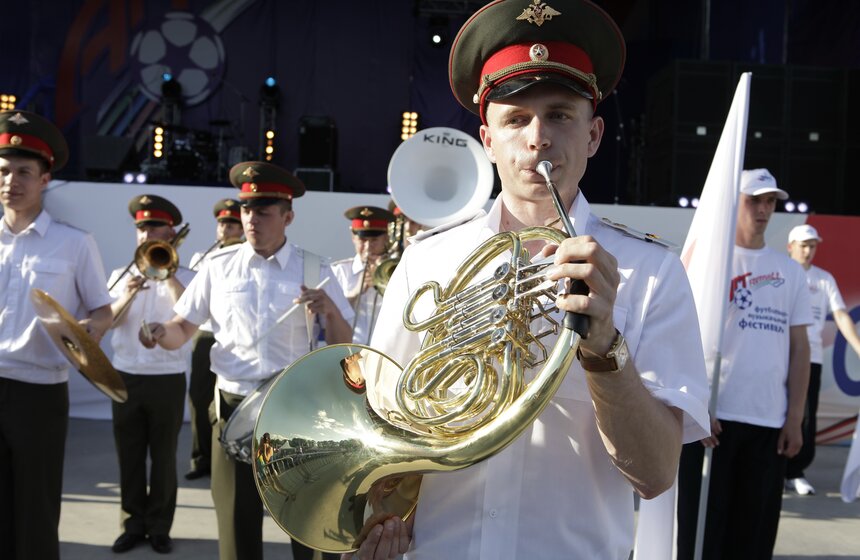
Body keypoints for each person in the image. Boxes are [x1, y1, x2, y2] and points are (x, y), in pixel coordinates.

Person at [352, 1, 711, 558]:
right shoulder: (426, 261)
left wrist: (603, 348)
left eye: (560, 115)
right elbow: (385, 425)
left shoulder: (654, 274)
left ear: (593, 135)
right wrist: (378, 518)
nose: (538, 137)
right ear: (488, 139)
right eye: (515, 119)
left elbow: (656, 473)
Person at [139, 161, 352, 560]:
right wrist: (157, 334)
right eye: (246, 210)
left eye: (264, 211)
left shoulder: (315, 268)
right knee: (237, 526)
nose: (252, 219)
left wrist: (330, 312)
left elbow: (344, 346)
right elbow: (181, 328)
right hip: (233, 407)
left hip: (294, 411)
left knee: (307, 523)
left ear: (287, 216)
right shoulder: (218, 268)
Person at [677, 169, 813, 559]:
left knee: (752, 540)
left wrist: (795, 419)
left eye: (770, 201)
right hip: (712, 424)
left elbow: (800, 349)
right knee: (702, 539)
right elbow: (678, 336)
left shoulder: (789, 272)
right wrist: (696, 405)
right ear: (732, 203)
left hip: (769, 425)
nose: (764, 209)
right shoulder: (704, 261)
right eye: (754, 200)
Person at [0, 110, 113, 560]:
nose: (12, 181)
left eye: (24, 172)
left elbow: (102, 310)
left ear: (45, 178)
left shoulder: (73, 242)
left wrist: (91, 331)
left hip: (38, 393)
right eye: (5, 171)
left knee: (36, 509)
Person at [107, 194, 194, 554]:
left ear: (170, 231)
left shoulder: (186, 275)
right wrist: (124, 295)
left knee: (162, 457)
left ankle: (159, 526)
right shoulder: (120, 275)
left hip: (167, 378)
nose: (146, 234)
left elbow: (192, 316)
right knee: (128, 456)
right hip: (125, 376)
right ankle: (132, 524)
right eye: (141, 228)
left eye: (153, 227)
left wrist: (169, 275)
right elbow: (105, 322)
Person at [784, 223, 860, 496]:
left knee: (805, 417)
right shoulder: (780, 272)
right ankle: (775, 468)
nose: (807, 251)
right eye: (803, 245)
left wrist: (858, 346)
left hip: (810, 358)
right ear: (790, 247)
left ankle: (795, 471)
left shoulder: (824, 279)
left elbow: (840, 315)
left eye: (812, 246)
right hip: (778, 356)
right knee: (773, 411)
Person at [185, 198, 244, 481]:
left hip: (232, 335)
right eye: (223, 223)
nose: (227, 228)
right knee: (198, 396)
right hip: (205, 332)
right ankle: (201, 458)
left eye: (232, 223)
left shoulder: (245, 255)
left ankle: (225, 454)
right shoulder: (202, 257)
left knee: (224, 399)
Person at [331, 205, 396, 344]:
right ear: (353, 237)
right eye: (363, 240)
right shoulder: (339, 271)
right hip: (349, 352)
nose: (367, 247)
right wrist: (355, 293)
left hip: (387, 352)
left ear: (386, 238)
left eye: (374, 241)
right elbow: (327, 318)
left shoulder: (397, 270)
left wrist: (385, 283)